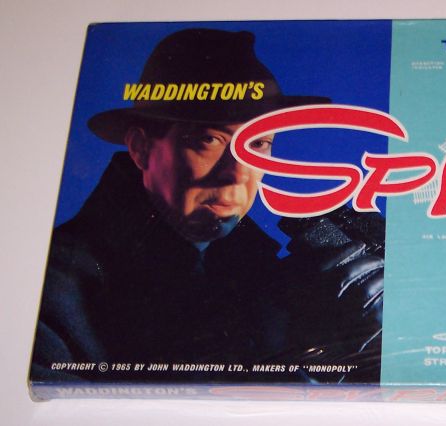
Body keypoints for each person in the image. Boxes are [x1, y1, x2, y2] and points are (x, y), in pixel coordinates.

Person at [31, 29, 383, 383]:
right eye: (209, 140)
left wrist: (353, 354)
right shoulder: (53, 289)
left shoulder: (255, 276)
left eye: (258, 144)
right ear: (141, 149)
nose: (237, 174)